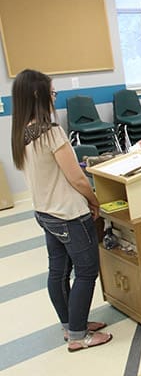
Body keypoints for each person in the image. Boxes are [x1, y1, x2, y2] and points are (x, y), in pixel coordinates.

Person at [10, 69, 112, 352]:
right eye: (52, 93)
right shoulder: (51, 132)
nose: (55, 98)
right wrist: (94, 200)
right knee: (86, 270)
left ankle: (71, 326)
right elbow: (77, 177)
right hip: (69, 214)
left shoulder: (22, 133)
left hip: (45, 213)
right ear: (37, 95)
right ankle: (79, 336)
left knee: (58, 271)